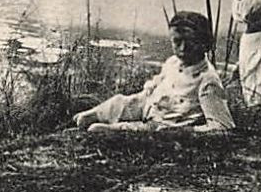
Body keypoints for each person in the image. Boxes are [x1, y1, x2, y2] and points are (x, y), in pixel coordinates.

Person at [72, 12, 234, 134]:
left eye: (191, 42)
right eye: (177, 42)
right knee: (121, 101)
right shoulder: (173, 62)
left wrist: (189, 131)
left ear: (205, 44)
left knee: (128, 130)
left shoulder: (207, 81)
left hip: (164, 123)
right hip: (150, 106)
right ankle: (96, 115)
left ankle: (109, 128)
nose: (183, 48)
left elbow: (222, 125)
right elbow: (156, 85)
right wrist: (147, 93)